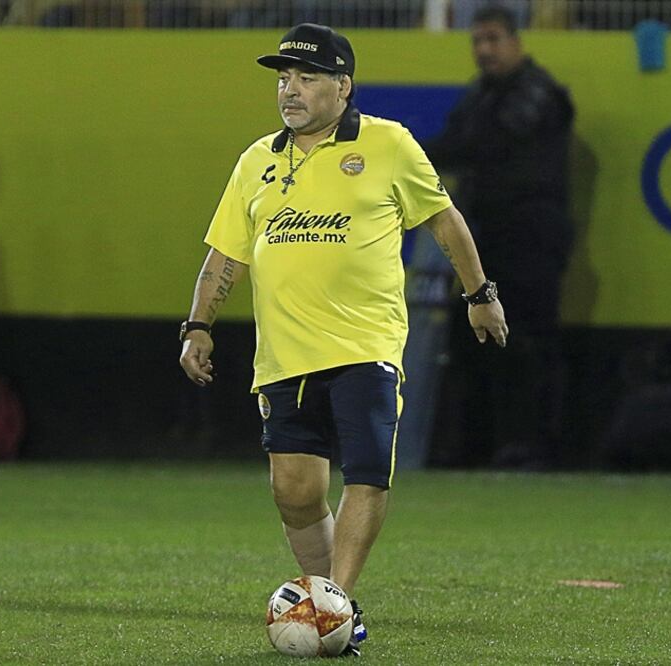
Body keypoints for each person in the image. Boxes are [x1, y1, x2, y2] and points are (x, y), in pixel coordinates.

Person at [178, 23, 507, 656]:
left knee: (367, 474)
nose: (290, 91)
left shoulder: (388, 144)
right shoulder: (257, 160)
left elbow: (445, 221)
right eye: (284, 79)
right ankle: (329, 603)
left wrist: (479, 294)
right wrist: (198, 325)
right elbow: (225, 254)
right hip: (284, 355)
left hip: (366, 346)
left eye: (306, 78)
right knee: (295, 493)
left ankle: (335, 607)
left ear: (343, 86)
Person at [425, 4, 575, 470]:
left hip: (531, 238)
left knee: (527, 344)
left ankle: (531, 447)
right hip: (486, 238)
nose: (484, 50)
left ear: (516, 41)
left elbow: (481, 145)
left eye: (493, 39)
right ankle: (476, 446)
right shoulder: (480, 95)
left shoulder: (538, 93)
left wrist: (409, 156)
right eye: (477, 40)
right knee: (473, 344)